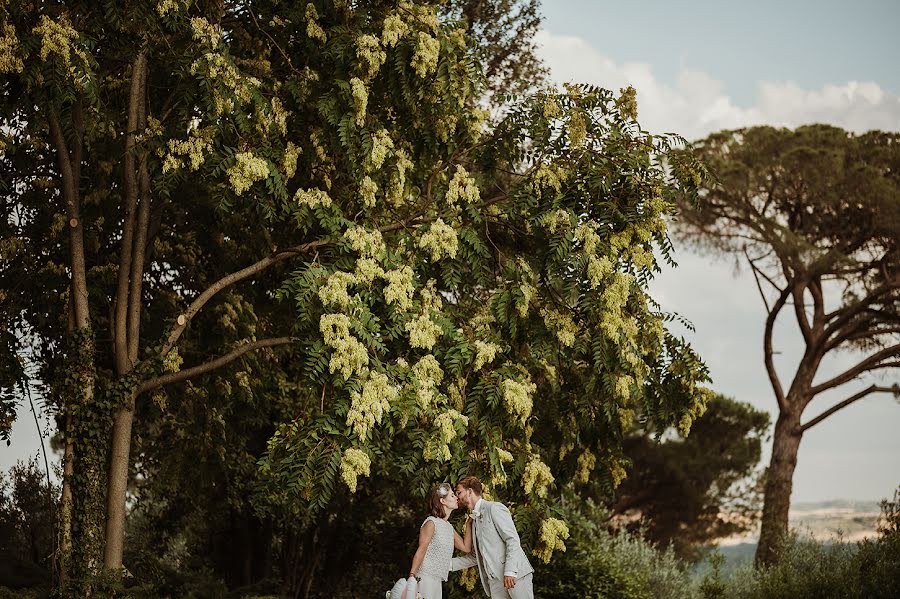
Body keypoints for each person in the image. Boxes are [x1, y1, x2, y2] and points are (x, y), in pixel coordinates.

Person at [451, 476, 534, 598]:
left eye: (459, 492)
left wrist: (510, 571)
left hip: (515, 575)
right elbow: (476, 556)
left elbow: (512, 539)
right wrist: (445, 564)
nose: (457, 497)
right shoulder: (472, 521)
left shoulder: (494, 508)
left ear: (470, 491)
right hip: (495, 582)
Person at [407, 482, 473, 599]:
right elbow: (421, 549)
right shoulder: (431, 523)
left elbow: (465, 547)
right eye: (452, 495)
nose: (456, 497)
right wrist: (412, 577)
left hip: (437, 580)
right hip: (424, 578)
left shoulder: (448, 527)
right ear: (443, 501)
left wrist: (468, 523)